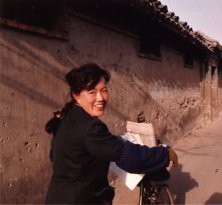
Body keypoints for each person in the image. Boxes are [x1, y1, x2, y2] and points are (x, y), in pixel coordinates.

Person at [44, 63, 178, 204]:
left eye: (104, 90)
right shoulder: (90, 127)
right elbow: (131, 158)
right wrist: (164, 153)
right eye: (92, 92)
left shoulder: (66, 118)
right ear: (76, 95)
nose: (100, 98)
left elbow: (55, 156)